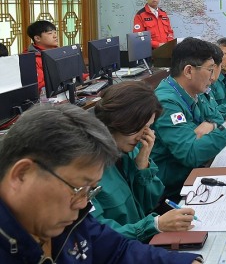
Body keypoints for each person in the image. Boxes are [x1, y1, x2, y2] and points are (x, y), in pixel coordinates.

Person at [0, 104, 201, 263]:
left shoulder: (72, 219)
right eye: (78, 189)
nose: (83, 204)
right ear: (22, 175)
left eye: (91, 190)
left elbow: (118, 251)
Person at [92, 81, 195, 242]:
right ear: (119, 121)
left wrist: (143, 166)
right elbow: (97, 235)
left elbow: (151, 203)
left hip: (141, 242)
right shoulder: (87, 168)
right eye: (140, 128)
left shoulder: (132, 149)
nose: (144, 135)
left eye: (148, 127)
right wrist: (154, 225)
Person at [151, 37, 226, 199]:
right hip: (175, 188)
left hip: (196, 173)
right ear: (189, 71)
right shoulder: (167, 102)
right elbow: (190, 154)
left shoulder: (192, 90)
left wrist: (212, 127)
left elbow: (215, 119)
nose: (213, 77)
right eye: (210, 69)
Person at [24, 20, 59, 91]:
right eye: (50, 33)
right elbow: (40, 86)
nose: (55, 36)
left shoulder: (60, 51)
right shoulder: (30, 59)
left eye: (55, 32)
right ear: (37, 38)